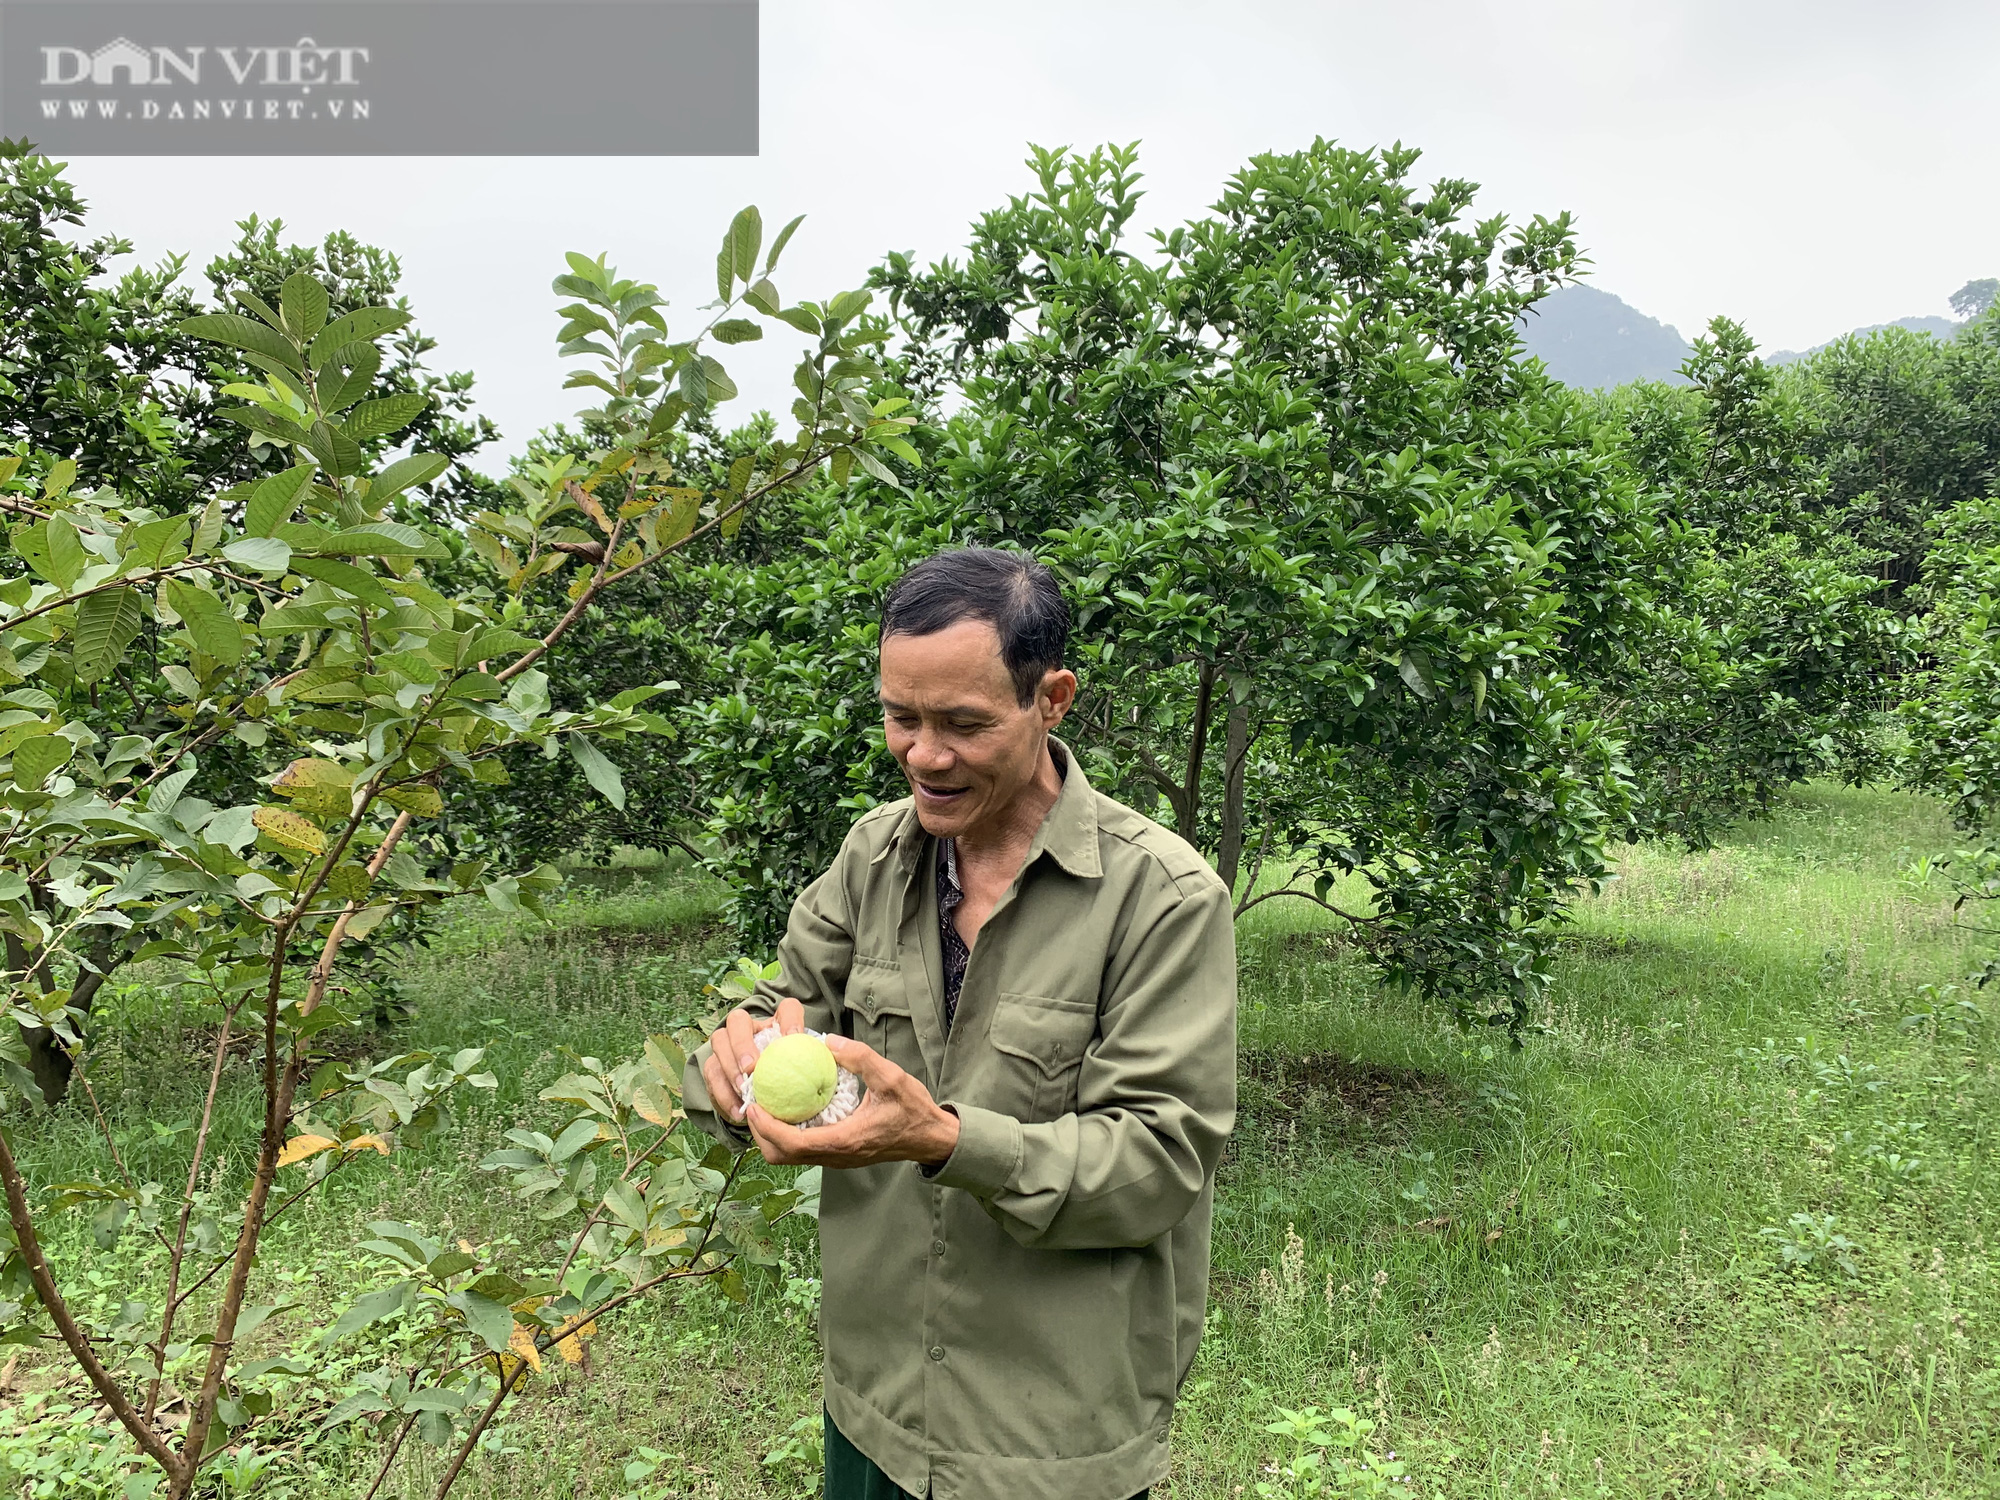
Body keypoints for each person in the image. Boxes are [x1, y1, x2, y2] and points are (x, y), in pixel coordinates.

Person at [685, 547, 1237, 1500]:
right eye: (902, 717)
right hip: (876, 1404)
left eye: (963, 723)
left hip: (1051, 1435)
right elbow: (778, 1015)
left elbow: (1158, 1163)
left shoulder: (1164, 898)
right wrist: (734, 1064)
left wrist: (944, 1140)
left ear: (1051, 698)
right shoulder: (870, 859)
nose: (923, 754)